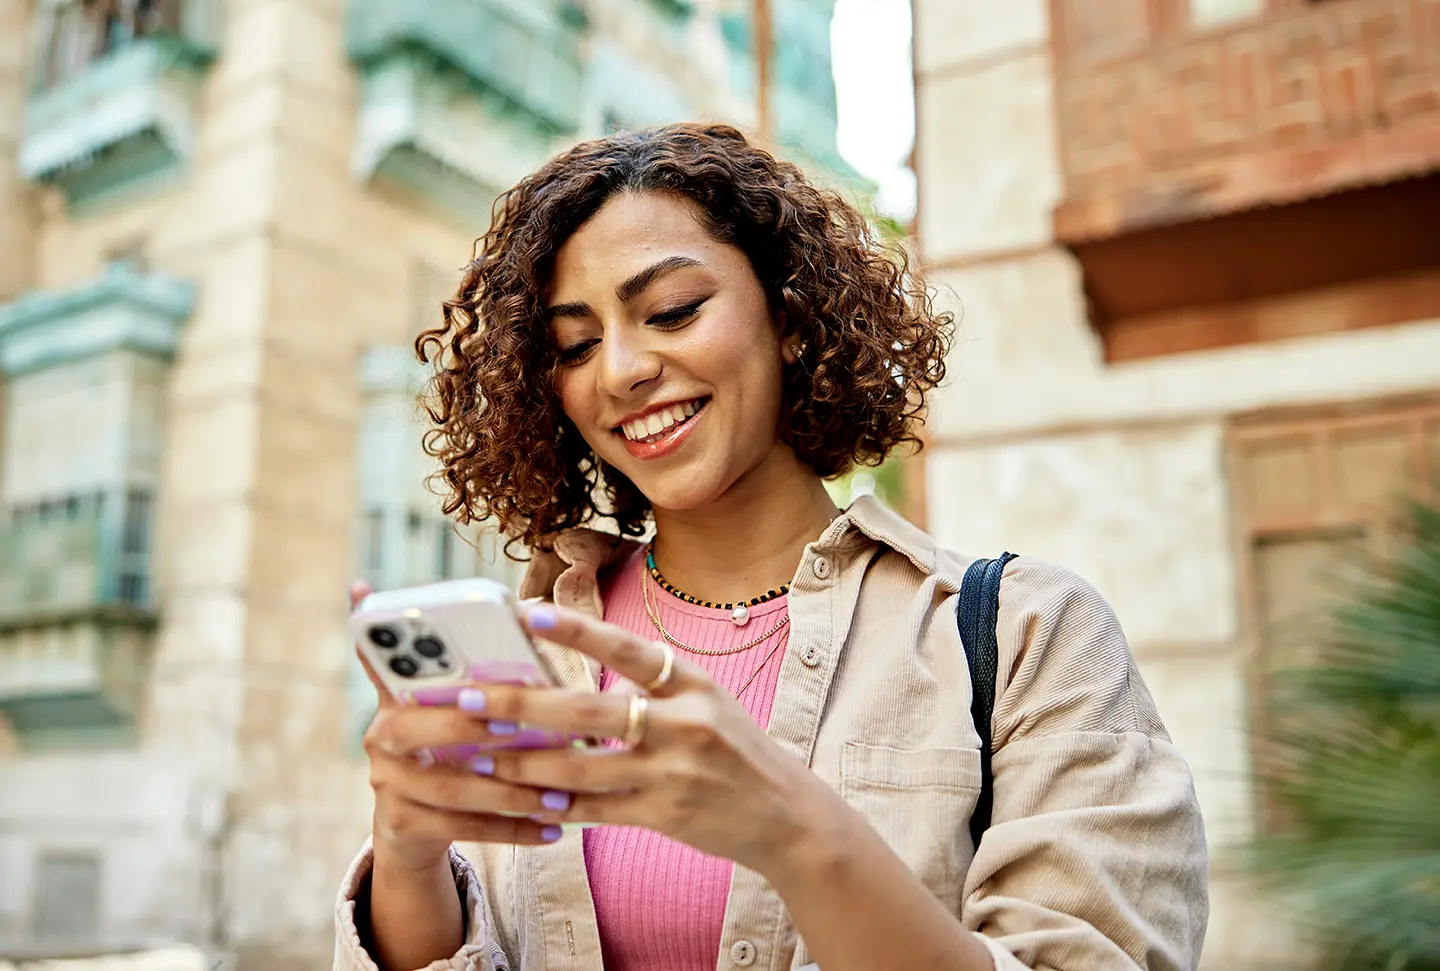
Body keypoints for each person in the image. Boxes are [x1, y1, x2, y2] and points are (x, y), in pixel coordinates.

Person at [335, 123, 1209, 971]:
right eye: (577, 344)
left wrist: (791, 831)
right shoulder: (534, 659)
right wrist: (408, 857)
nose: (621, 369)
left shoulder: (1022, 637)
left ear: (790, 313)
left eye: (672, 311)